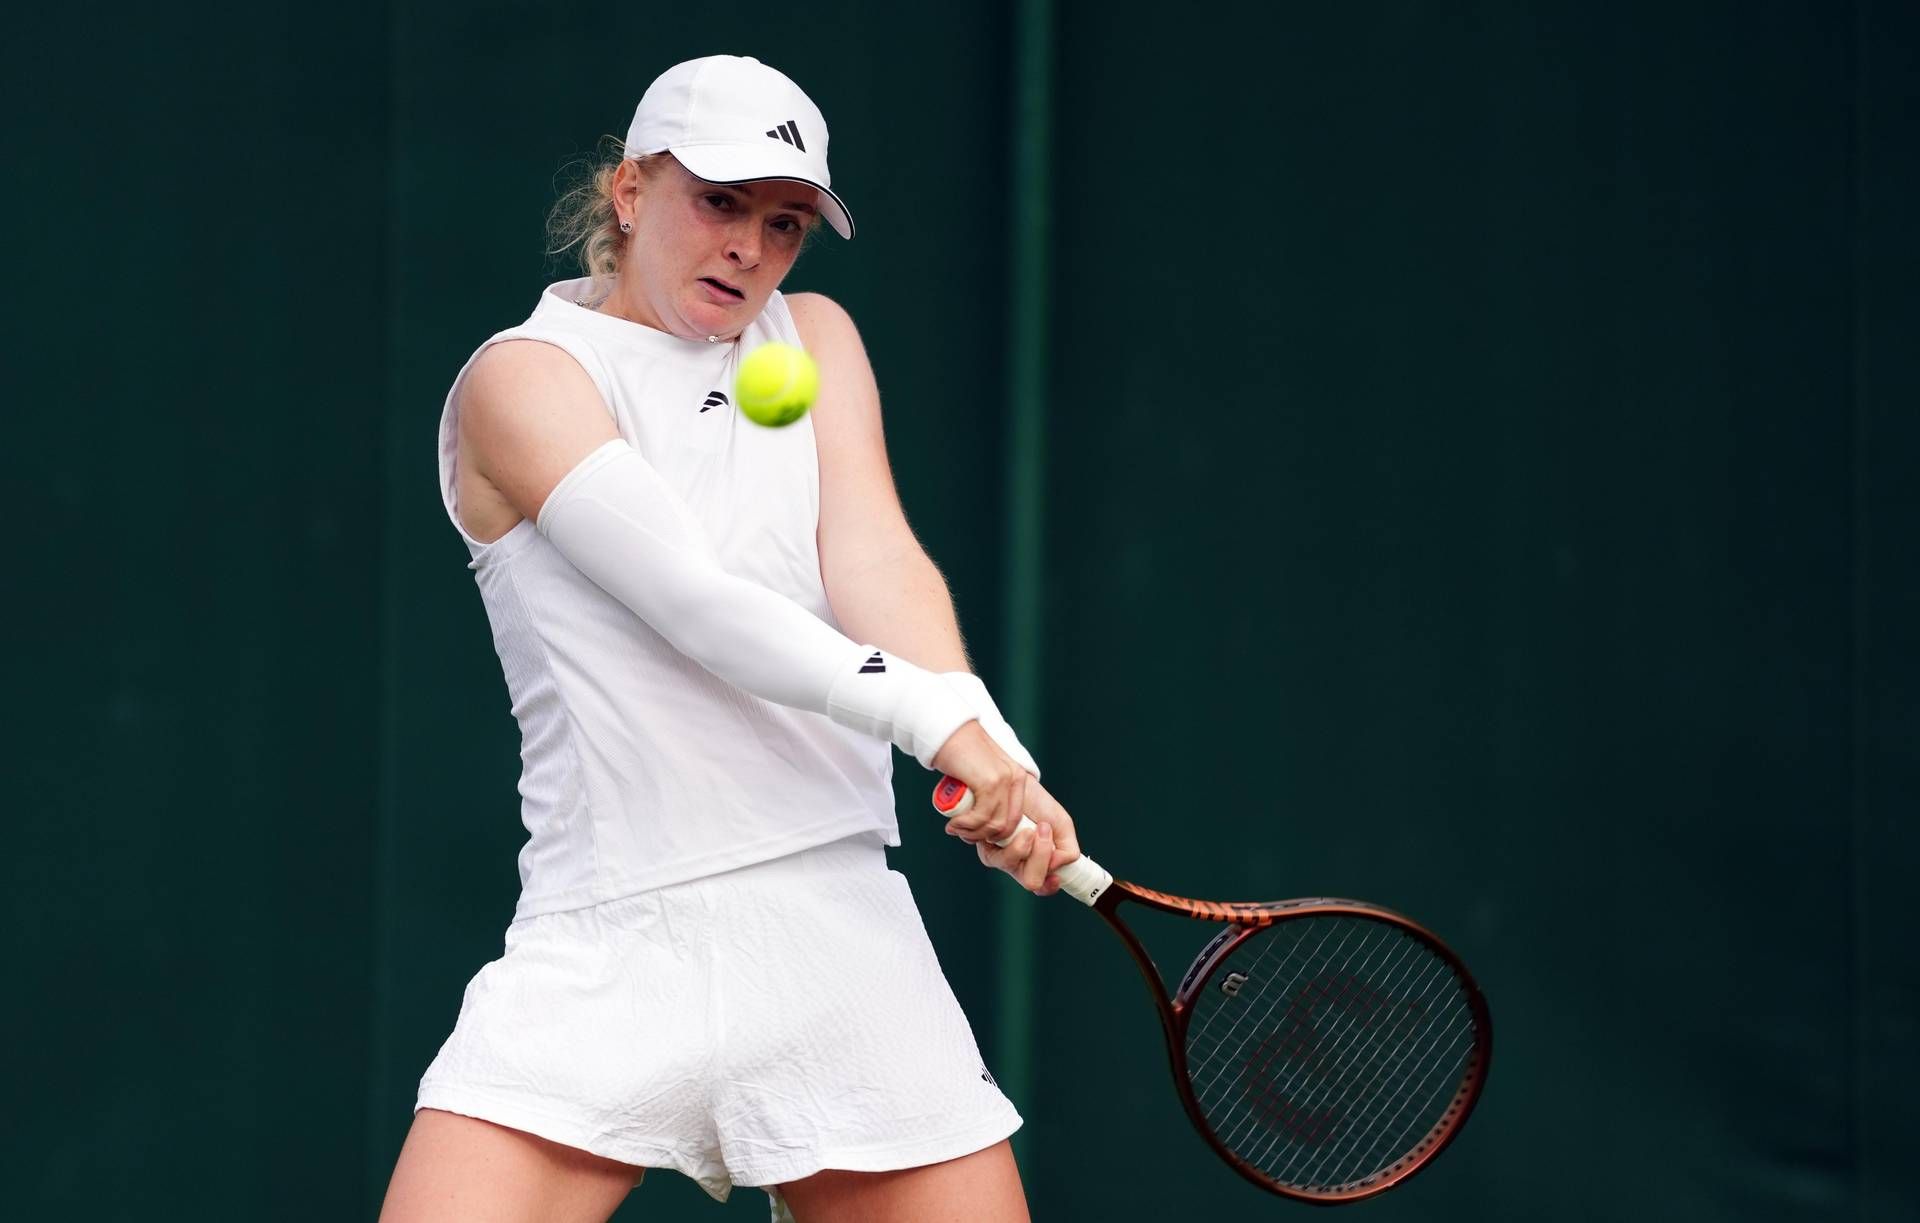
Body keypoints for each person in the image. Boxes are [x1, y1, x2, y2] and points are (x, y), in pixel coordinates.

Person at [378, 54, 1080, 1223]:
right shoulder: (522, 379)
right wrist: (932, 717)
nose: (750, 247)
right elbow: (694, 602)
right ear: (630, 189)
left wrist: (991, 744)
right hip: (615, 932)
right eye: (719, 201)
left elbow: (875, 559)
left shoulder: (816, 341)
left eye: (785, 222)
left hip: (838, 936)